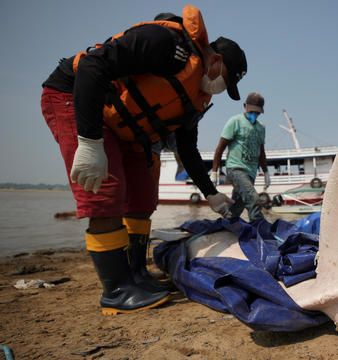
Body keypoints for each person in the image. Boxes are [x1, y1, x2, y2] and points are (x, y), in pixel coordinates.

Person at [40, 5, 247, 315]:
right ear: (215, 60)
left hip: (125, 128)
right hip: (75, 96)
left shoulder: (195, 98)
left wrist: (211, 193)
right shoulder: (163, 42)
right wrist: (89, 140)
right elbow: (92, 67)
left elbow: (187, 148)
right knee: (105, 191)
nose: (219, 91)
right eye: (224, 82)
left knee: (143, 194)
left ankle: (136, 274)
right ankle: (117, 290)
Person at [211, 92, 270, 222]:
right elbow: (220, 148)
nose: (254, 114)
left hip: (251, 171)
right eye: (252, 111)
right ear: (245, 106)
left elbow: (261, 151)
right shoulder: (235, 122)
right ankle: (259, 230)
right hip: (235, 168)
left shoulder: (261, 128)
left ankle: (227, 223)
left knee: (238, 205)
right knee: (253, 199)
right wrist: (214, 171)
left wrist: (266, 172)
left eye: (257, 112)